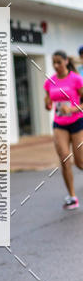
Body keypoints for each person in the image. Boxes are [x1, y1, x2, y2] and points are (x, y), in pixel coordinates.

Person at [44, 50, 83, 210]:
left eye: (59, 62)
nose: (56, 65)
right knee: (65, 159)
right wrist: (47, 104)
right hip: (59, 124)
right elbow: (48, 101)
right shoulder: (49, 82)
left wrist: (72, 109)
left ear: (66, 61)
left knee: (80, 162)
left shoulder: (76, 79)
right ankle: (72, 197)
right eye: (54, 62)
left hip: (77, 122)